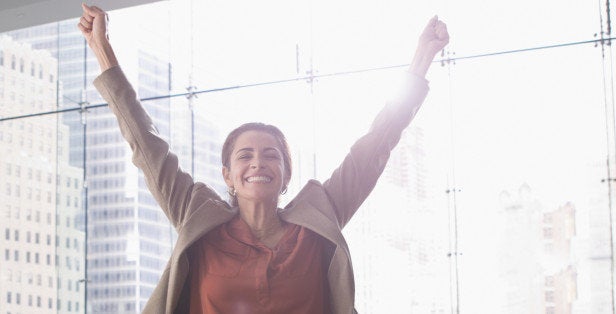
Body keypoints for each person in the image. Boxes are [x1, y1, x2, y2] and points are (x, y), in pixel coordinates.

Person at [78, 3, 449, 314]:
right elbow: (146, 146)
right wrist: (103, 50)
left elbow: (374, 148)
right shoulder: (197, 216)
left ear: (286, 175)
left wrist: (421, 61)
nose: (258, 163)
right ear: (228, 174)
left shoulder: (318, 217)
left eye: (272, 156)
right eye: (245, 156)